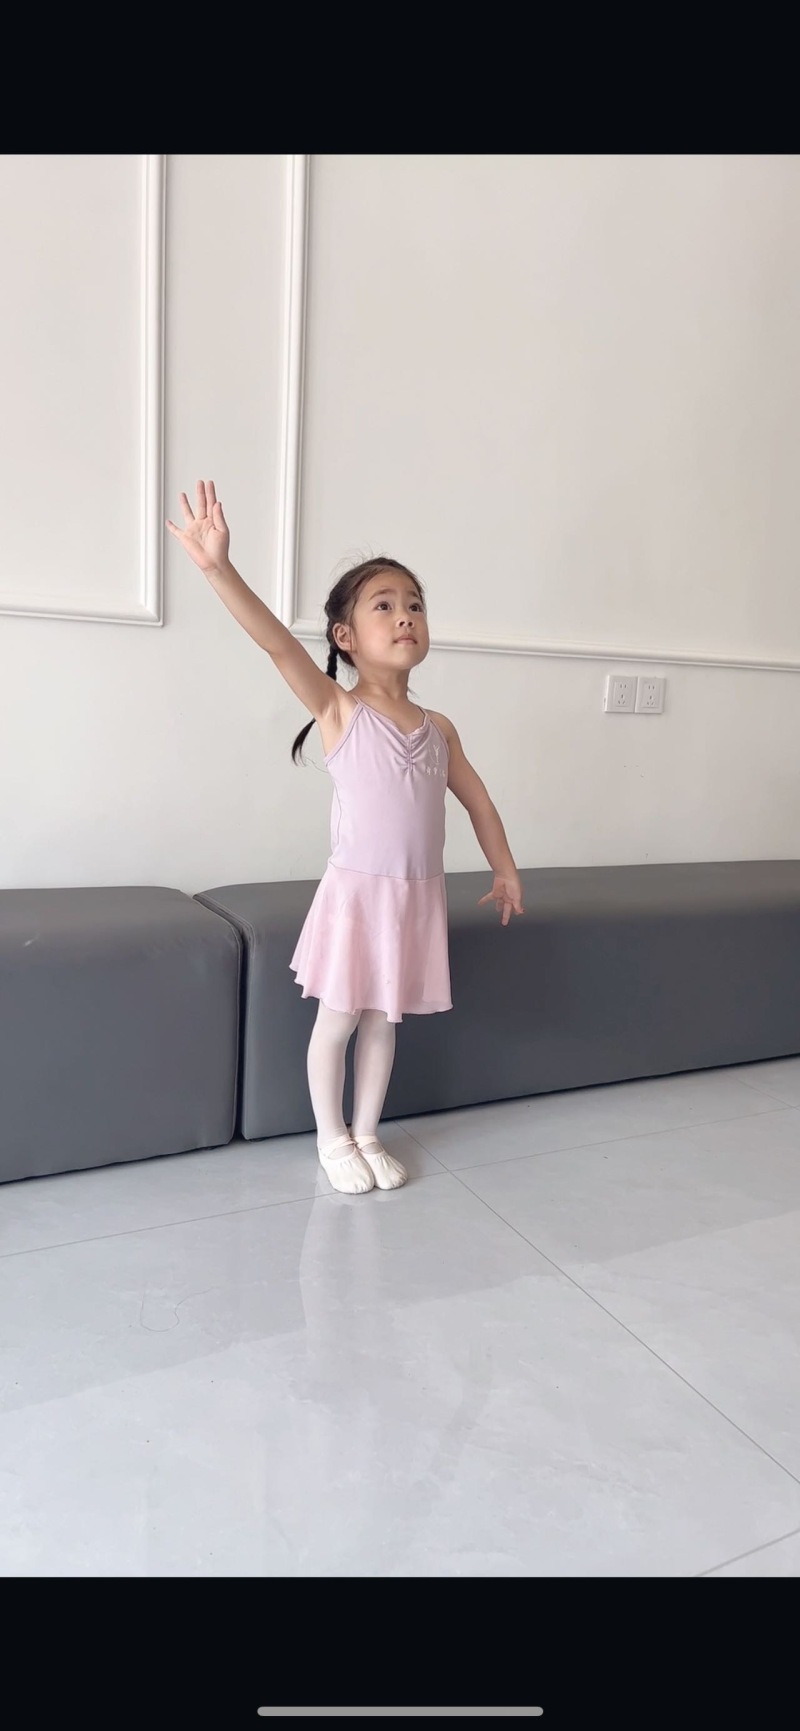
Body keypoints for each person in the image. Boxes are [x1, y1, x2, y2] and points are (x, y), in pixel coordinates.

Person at [167, 481, 524, 1195]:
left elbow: (479, 802)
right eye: (384, 605)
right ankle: (332, 1138)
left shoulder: (439, 728)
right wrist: (218, 569)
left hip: (415, 897)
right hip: (357, 897)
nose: (405, 615)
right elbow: (274, 642)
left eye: (414, 604)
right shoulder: (338, 708)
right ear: (345, 637)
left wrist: (505, 869)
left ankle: (367, 1132)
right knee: (339, 1020)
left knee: (384, 1022)